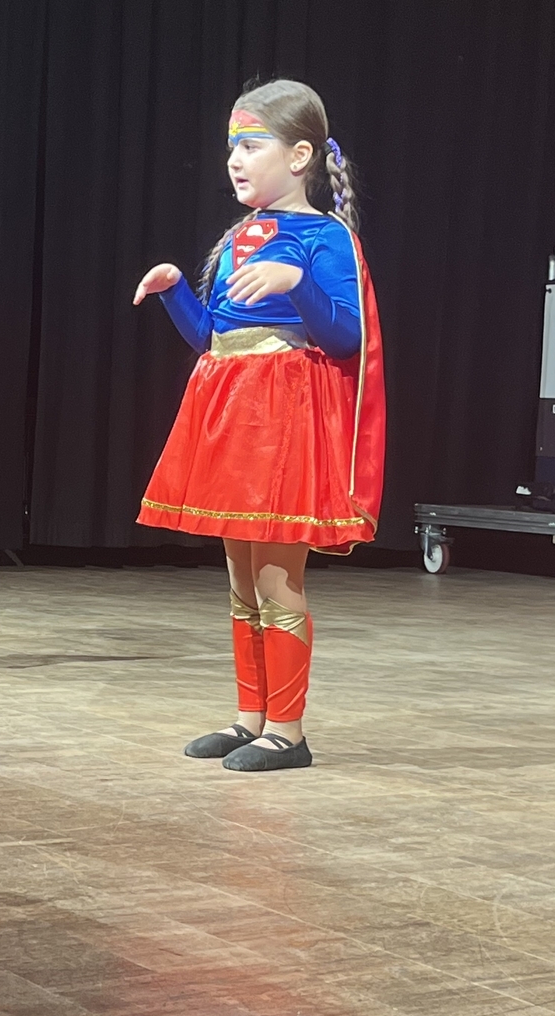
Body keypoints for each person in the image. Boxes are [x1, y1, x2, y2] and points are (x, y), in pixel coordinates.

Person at [134, 79, 385, 772]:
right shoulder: (239, 237)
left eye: (250, 146)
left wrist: (295, 283)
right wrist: (174, 292)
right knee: (241, 583)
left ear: (300, 156)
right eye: (231, 149)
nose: (234, 161)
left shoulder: (325, 236)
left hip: (281, 421)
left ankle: (289, 730)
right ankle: (251, 717)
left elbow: (346, 338)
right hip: (231, 408)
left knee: (276, 582)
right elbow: (212, 336)